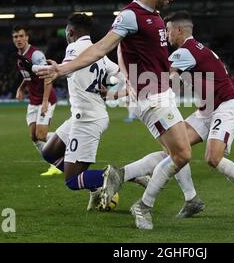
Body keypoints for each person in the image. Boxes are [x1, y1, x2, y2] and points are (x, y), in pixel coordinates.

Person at [37, 0, 192, 230]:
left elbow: (133, 58)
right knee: (182, 155)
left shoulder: (154, 16)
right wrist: (62, 69)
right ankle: (140, 202)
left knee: (173, 153)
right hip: (153, 98)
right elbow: (101, 48)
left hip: (160, 93)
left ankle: (128, 179)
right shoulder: (131, 16)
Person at [111, 11, 234, 219]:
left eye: (167, 31)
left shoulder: (184, 51)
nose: (165, 35)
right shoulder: (198, 49)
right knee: (175, 148)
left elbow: (161, 79)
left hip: (225, 107)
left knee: (213, 158)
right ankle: (190, 199)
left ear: (179, 30)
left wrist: (121, 91)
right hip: (207, 110)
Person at [33, 13, 148, 209]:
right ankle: (102, 185)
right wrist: (113, 93)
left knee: (72, 181)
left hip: (87, 120)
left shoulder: (74, 48)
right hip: (86, 115)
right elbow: (126, 79)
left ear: (70, 32)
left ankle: (121, 175)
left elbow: (66, 68)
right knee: (49, 153)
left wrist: (40, 68)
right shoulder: (98, 53)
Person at [12, 26, 61, 176]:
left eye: (21, 36)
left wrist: (45, 102)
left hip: (46, 99)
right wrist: (20, 89)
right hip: (33, 100)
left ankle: (62, 148)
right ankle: (55, 162)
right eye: (15, 37)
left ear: (27, 37)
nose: (18, 39)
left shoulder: (36, 54)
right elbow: (28, 77)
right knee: (34, 137)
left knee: (41, 135)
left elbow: (47, 77)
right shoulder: (19, 57)